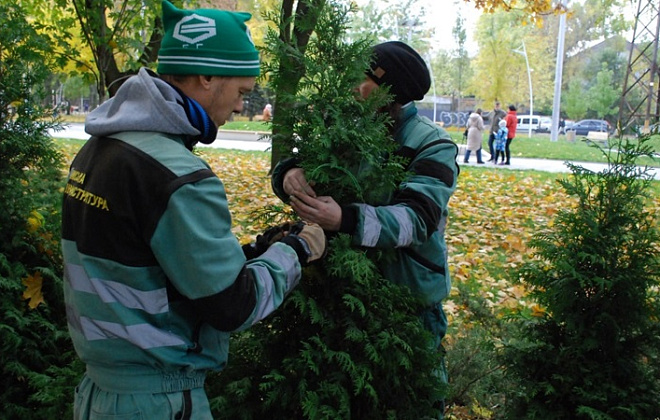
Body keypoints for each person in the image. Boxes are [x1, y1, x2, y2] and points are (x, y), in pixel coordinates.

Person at [61, 2, 326, 419]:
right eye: (241, 92)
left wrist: (255, 251)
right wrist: (295, 251)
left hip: (101, 394)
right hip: (157, 401)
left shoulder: (99, 151)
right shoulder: (177, 174)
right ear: (206, 77)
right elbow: (232, 306)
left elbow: (151, 266)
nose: (241, 107)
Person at [271, 40, 459, 418]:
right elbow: (308, 163)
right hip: (340, 296)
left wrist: (345, 219)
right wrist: (288, 175)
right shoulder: (347, 126)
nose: (353, 84)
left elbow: (417, 220)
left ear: (391, 90)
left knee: (411, 405)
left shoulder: (433, 145)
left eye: (364, 76)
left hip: (408, 307)